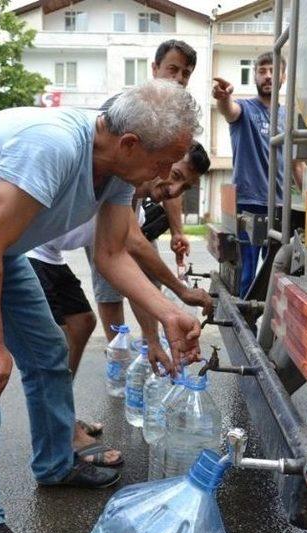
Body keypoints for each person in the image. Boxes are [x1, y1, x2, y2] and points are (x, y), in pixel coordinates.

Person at [0, 79, 202, 533]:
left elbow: (111, 255)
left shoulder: (119, 174)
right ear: (129, 144)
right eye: (163, 162)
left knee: (45, 350)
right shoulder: (54, 145)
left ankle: (56, 462)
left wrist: (167, 312)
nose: (165, 176)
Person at [27, 143, 212, 467]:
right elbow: (135, 245)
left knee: (83, 323)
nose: (174, 190)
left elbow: (131, 272)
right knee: (54, 345)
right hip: (30, 248)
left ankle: (60, 415)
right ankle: (62, 431)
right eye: (177, 176)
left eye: (185, 187)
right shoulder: (123, 183)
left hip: (49, 253)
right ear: (161, 160)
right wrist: (180, 292)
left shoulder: (134, 203)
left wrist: (153, 340)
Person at [95, 39, 198, 333]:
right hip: (108, 210)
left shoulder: (178, 119)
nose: (179, 79)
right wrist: (182, 291)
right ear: (154, 69)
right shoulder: (127, 111)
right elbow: (126, 242)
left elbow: (170, 178)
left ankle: (149, 344)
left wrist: (178, 231)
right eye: (172, 69)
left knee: (144, 275)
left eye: (186, 73)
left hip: (131, 208)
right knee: (114, 277)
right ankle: (120, 348)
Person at [212, 51, 305, 297]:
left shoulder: (289, 118)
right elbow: (228, 110)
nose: (268, 76)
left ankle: (269, 329)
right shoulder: (245, 108)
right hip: (248, 205)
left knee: (278, 276)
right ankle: (246, 328)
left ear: (283, 77)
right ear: (254, 76)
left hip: (280, 208)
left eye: (274, 71)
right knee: (246, 277)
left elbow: (297, 164)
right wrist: (223, 98)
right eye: (262, 71)